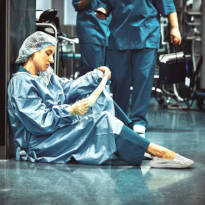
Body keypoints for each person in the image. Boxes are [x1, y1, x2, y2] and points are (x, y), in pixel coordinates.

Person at [7, 31, 193, 169]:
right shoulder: (21, 84)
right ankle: (155, 151)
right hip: (42, 142)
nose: (52, 60)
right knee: (102, 121)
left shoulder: (44, 76)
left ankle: (135, 143)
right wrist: (70, 111)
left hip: (55, 127)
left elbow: (66, 89)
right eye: (48, 54)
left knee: (102, 98)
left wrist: (95, 76)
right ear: (33, 52)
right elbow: (39, 123)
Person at [95, 0, 182, 138]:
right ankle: (120, 119)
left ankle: (138, 121)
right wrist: (103, 9)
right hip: (120, 35)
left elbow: (168, 5)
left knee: (143, 78)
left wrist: (175, 27)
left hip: (146, 34)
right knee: (119, 79)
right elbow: (106, 3)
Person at [72, 0, 110, 75]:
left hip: (108, 31)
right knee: (92, 70)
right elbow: (78, 5)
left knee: (107, 71)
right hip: (90, 30)